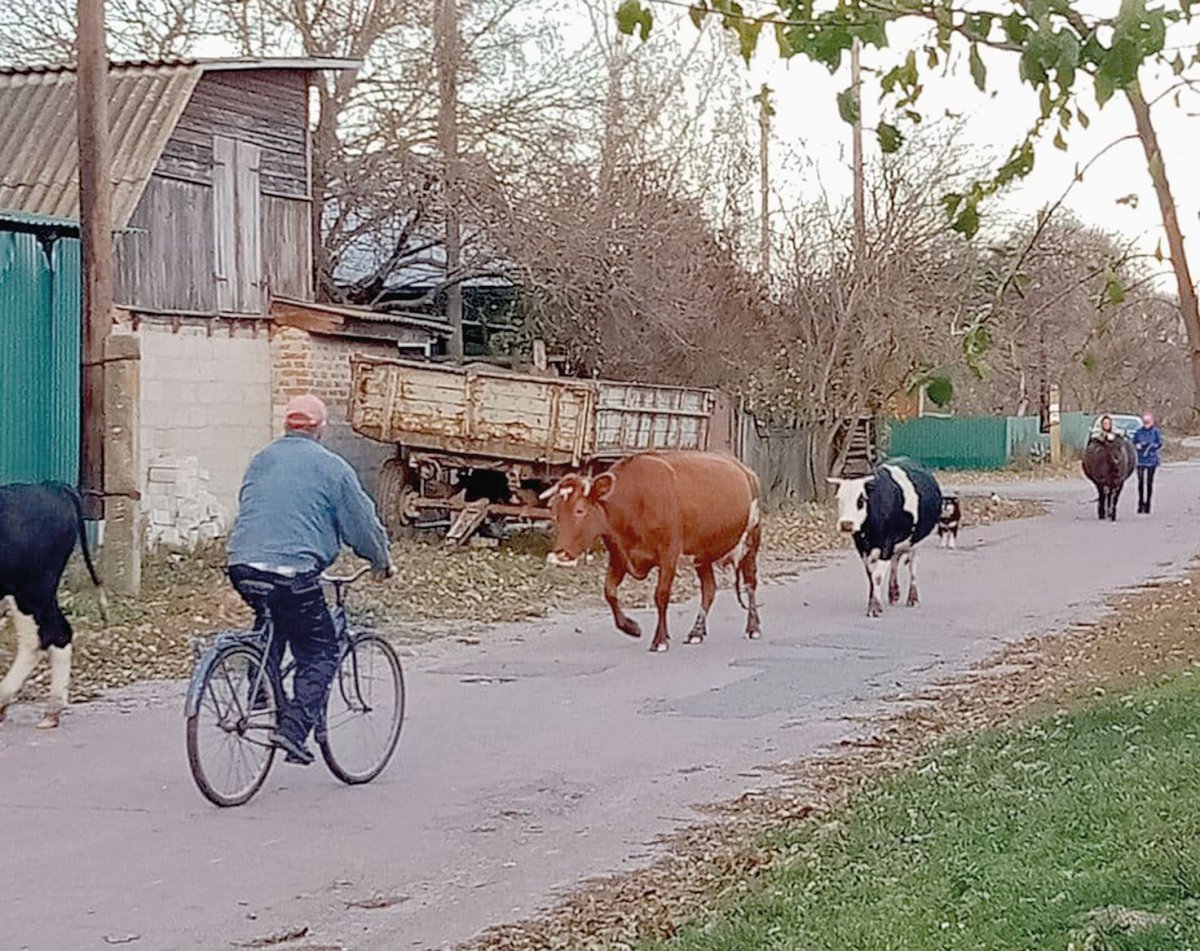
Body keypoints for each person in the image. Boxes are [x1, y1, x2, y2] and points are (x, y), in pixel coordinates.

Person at [226, 394, 394, 765]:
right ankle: (293, 729)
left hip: (242, 565)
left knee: (274, 619)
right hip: (293, 572)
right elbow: (362, 526)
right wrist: (381, 561)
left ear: (287, 425)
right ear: (320, 429)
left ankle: (261, 687)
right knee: (320, 650)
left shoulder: (262, 460)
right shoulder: (332, 467)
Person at [1132, 411, 1163, 514]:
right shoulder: (1138, 432)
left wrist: (1152, 446)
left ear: (1152, 421)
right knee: (1140, 482)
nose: (1146, 423)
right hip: (1140, 460)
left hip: (1151, 460)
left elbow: (1159, 443)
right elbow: (1134, 442)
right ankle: (1140, 503)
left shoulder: (1155, 432)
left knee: (1149, 482)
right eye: (1145, 421)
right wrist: (1137, 445)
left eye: (1148, 421)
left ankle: (1148, 504)